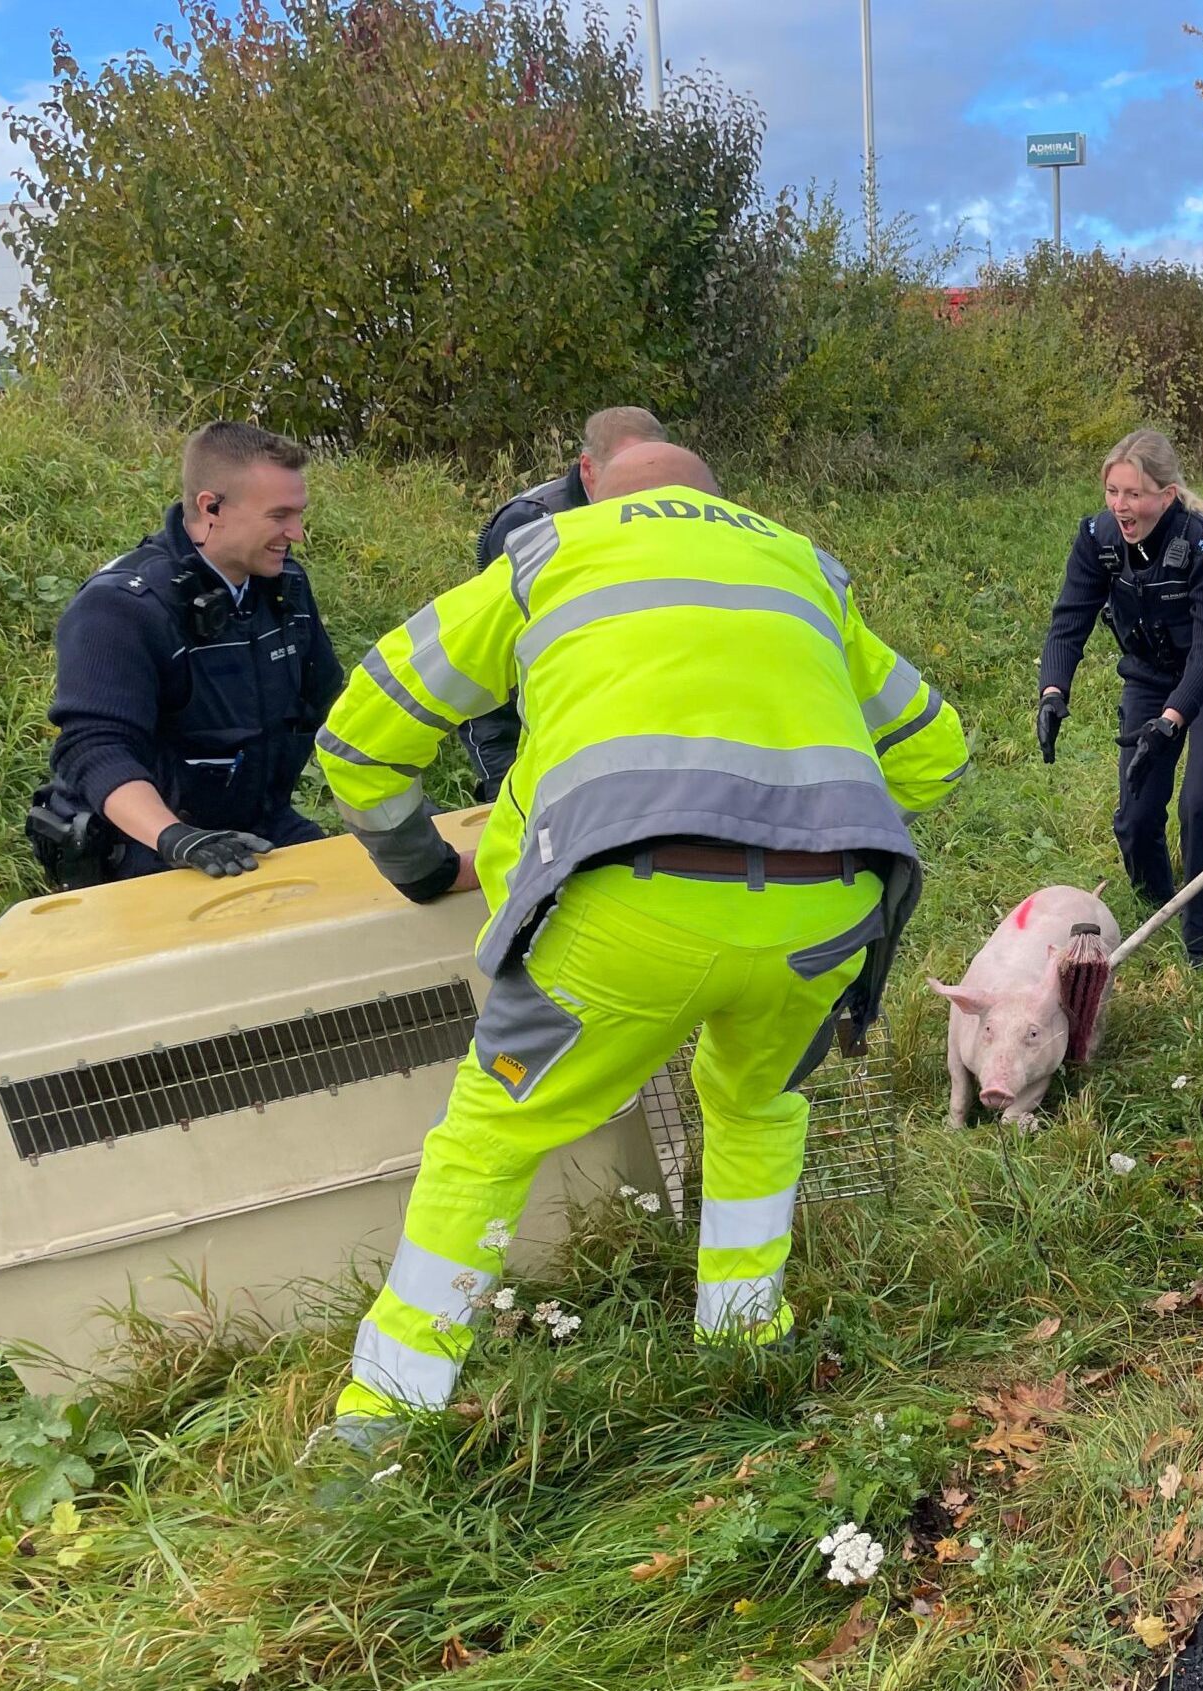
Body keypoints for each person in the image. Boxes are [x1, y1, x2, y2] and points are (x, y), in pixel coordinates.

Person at [317, 443, 967, 1439]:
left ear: (593, 492)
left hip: (628, 913)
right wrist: (807, 827)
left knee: (492, 1133)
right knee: (756, 1105)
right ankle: (745, 1338)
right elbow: (935, 750)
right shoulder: (802, 566)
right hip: (827, 909)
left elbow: (362, 738)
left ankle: (387, 1410)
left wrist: (417, 863)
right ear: (718, 503)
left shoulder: (549, 552)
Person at [31, 421, 344, 886]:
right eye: (279, 516)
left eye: (299, 514)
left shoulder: (284, 588)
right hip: (144, 847)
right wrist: (178, 838)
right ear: (210, 507)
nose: (296, 533)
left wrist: (393, 805)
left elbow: (330, 704)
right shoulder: (122, 606)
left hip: (259, 824)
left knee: (370, 886)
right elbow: (93, 748)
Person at [1036, 429, 1203, 964]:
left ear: (1166, 496)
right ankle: (1158, 909)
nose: (1121, 506)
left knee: (1202, 802)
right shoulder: (1098, 539)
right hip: (1151, 674)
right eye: (1112, 491)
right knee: (1137, 814)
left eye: (1134, 494)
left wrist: (1171, 720)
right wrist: (1052, 690)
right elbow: (1069, 618)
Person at [456, 405, 668, 801]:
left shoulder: (669, 509)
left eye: (652, 470)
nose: (643, 487)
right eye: (625, 471)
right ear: (588, 468)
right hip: (533, 717)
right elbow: (500, 651)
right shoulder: (532, 524)